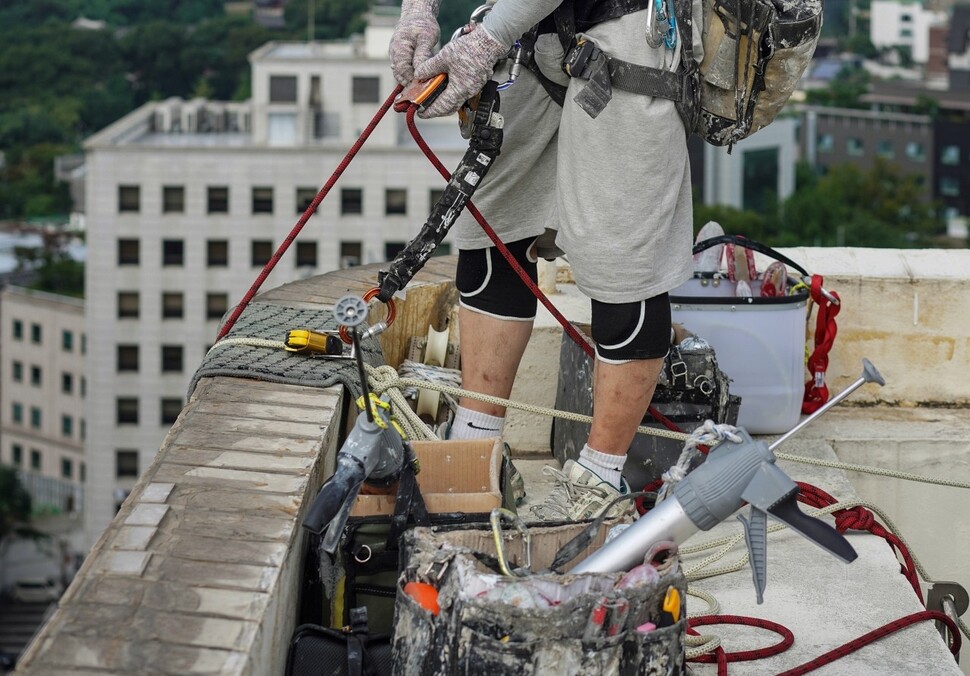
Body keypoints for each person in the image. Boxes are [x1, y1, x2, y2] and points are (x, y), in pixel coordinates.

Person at [390, 0, 702, 521]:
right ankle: (475, 449)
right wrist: (419, 10)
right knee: (493, 227)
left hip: (630, 33)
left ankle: (598, 481)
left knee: (624, 259)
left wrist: (485, 42)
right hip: (534, 31)